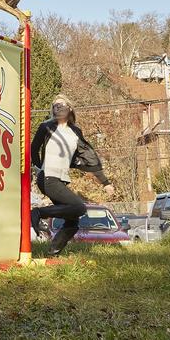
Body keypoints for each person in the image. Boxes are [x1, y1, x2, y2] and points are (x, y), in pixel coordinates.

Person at [29, 95, 114, 256]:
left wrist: (105, 182)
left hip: (60, 180)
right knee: (79, 207)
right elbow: (33, 149)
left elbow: (89, 157)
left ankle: (53, 251)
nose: (58, 107)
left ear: (69, 108)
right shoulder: (46, 127)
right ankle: (38, 213)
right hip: (47, 178)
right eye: (55, 105)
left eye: (61, 105)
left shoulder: (75, 132)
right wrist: (41, 168)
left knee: (73, 221)